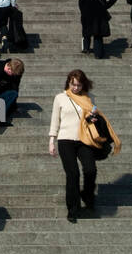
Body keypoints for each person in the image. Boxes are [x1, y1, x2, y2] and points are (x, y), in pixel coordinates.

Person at [49, 69, 120, 222]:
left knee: (90, 169)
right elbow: (55, 120)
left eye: (79, 85)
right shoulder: (60, 98)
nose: (75, 88)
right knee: (73, 174)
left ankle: (87, 195)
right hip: (65, 140)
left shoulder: (89, 98)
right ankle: (73, 209)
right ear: (68, 82)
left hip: (84, 139)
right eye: (73, 84)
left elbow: (90, 116)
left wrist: (91, 119)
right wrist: (51, 140)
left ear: (83, 85)